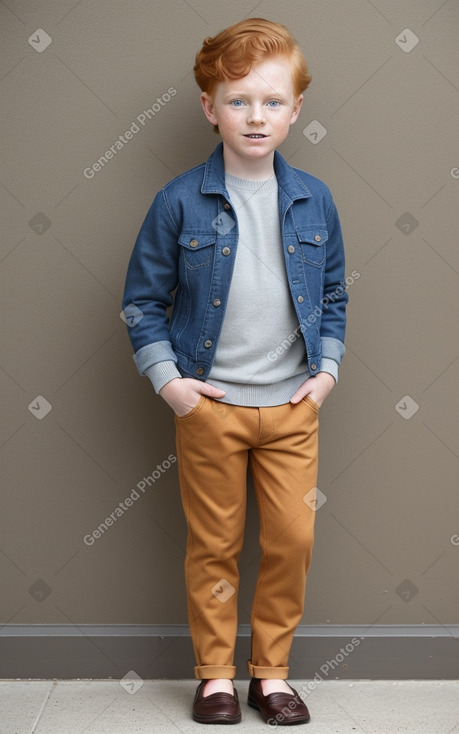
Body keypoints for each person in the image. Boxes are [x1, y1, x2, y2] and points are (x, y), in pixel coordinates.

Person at [122, 17, 348, 725]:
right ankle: (215, 677)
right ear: (208, 107)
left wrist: (327, 373)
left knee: (291, 540)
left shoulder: (315, 199)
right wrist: (172, 385)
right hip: (209, 409)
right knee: (213, 545)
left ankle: (270, 675)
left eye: (272, 101)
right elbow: (140, 303)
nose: (256, 116)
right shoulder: (178, 201)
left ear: (296, 110)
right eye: (238, 99)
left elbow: (335, 293)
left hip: (290, 409)